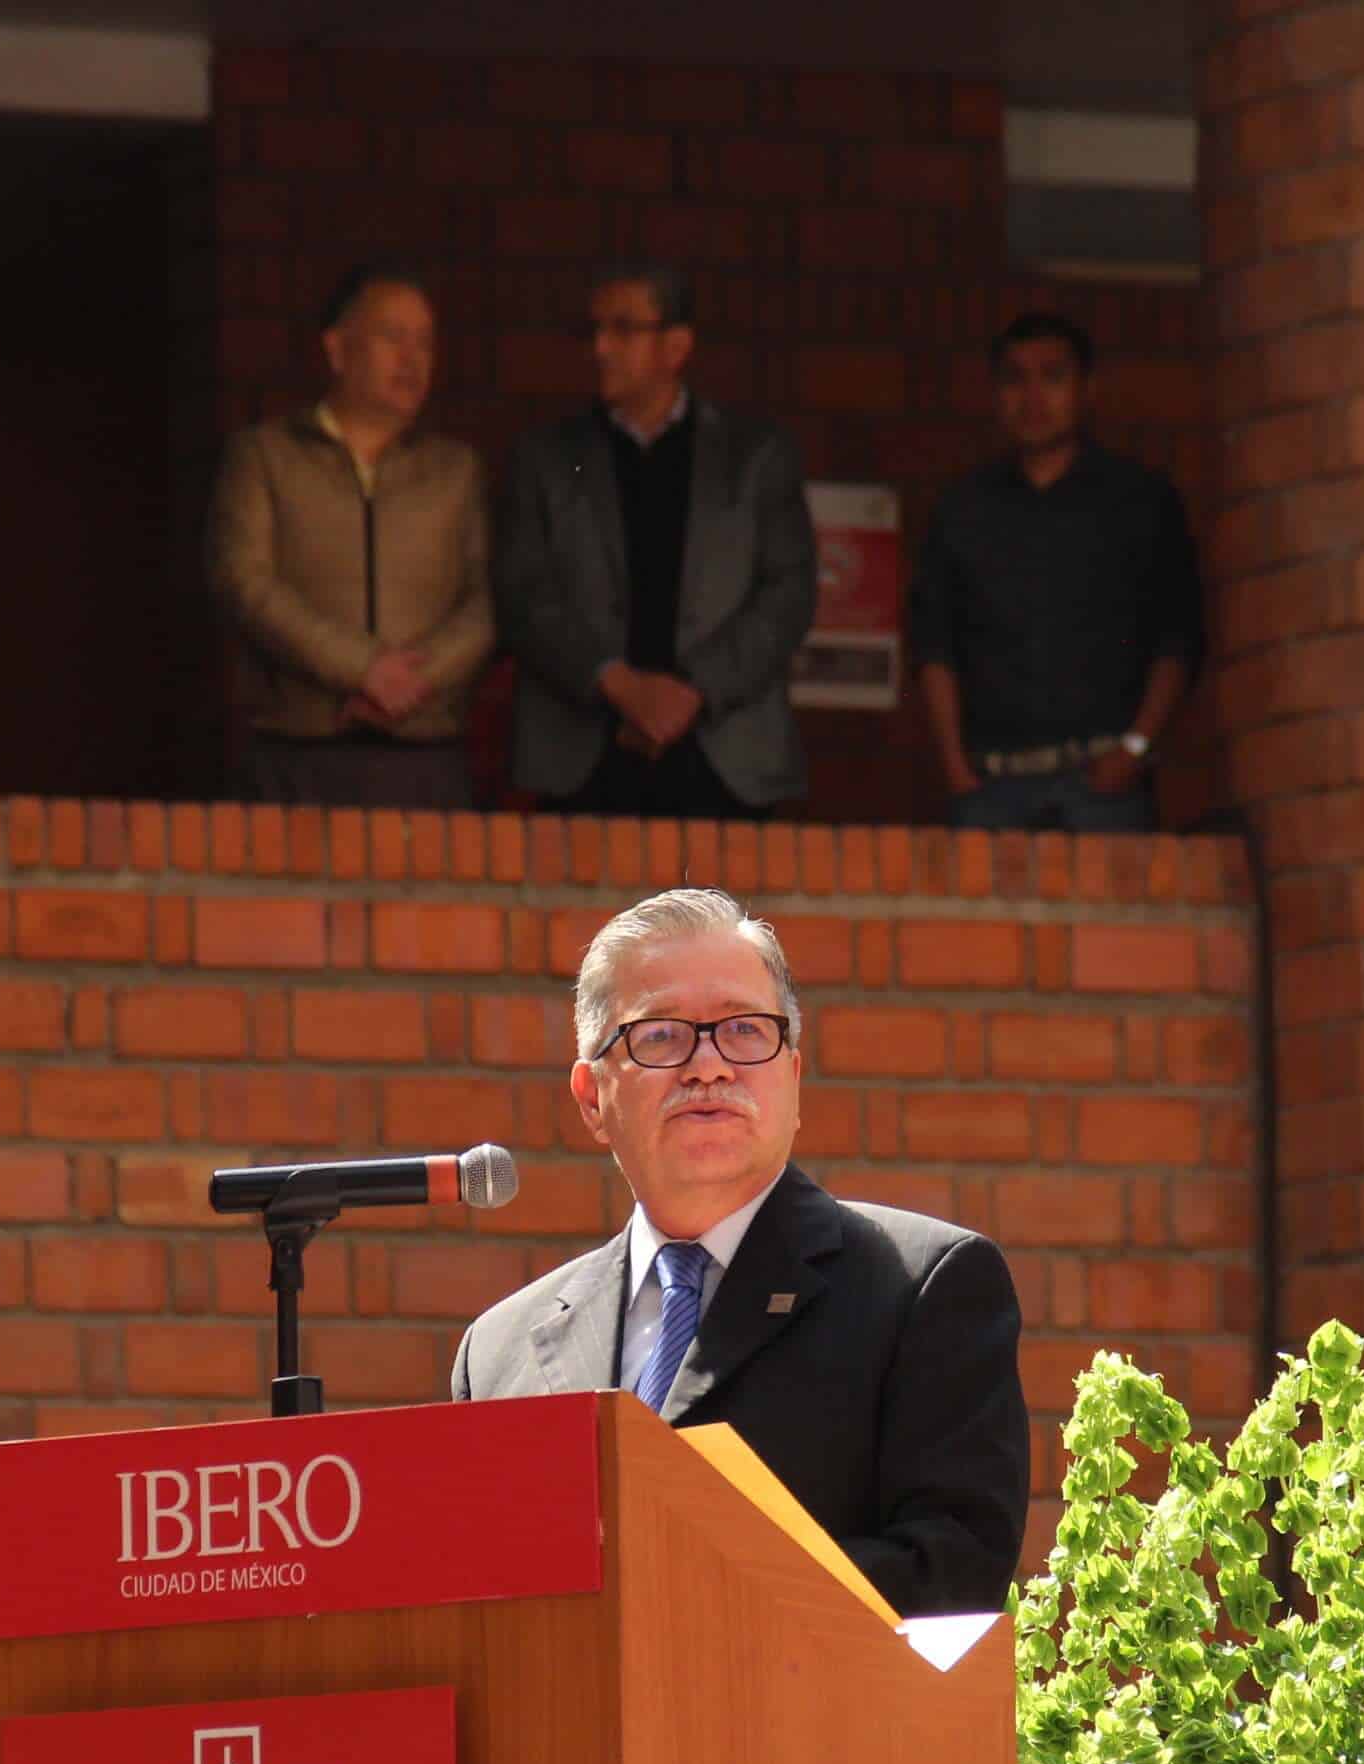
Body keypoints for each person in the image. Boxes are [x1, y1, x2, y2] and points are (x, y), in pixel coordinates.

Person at [449, 887, 1027, 1616]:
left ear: (792, 1071)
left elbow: (952, 1573)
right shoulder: (497, 1351)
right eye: (659, 1037)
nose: (710, 1066)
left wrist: (691, 1599)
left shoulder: (919, 1287)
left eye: (746, 1031)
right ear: (592, 1097)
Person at [496, 267, 815, 819]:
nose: (600, 348)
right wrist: (621, 686)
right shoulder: (546, 456)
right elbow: (523, 593)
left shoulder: (753, 456)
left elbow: (788, 593)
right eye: (595, 330)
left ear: (676, 345)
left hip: (724, 759)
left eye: (623, 329)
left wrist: (691, 692)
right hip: (585, 758)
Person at [208, 261, 493, 810]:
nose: (412, 359)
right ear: (338, 349)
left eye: (425, 342)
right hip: (296, 748)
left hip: (424, 751)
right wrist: (362, 669)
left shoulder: (456, 469)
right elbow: (243, 581)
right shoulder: (267, 455)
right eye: (392, 336)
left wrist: (405, 686)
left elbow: (486, 606)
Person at [910, 312, 1203, 832]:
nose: (1033, 396)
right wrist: (955, 768)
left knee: (1112, 917)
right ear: (996, 394)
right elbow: (934, 647)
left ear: (1088, 389)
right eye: (1014, 378)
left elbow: (1176, 640)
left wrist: (1135, 749)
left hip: (1106, 784)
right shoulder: (962, 509)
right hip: (989, 786)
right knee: (973, 917)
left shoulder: (1139, 502)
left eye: (1052, 376)